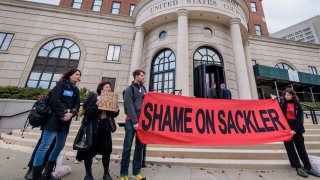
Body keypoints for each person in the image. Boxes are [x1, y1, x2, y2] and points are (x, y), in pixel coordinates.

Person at [32, 69, 81, 180]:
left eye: (79, 75)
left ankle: (47, 173)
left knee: (60, 145)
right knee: (44, 146)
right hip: (54, 120)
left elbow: (77, 104)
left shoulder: (76, 89)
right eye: (76, 74)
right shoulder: (61, 85)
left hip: (66, 121)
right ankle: (36, 176)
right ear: (70, 76)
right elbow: (55, 100)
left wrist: (72, 113)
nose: (79, 76)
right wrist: (64, 113)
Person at [76, 82, 119, 180]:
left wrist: (116, 111)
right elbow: (88, 113)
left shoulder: (111, 99)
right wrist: (96, 105)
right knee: (89, 152)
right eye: (107, 86)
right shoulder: (93, 98)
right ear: (101, 88)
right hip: (93, 129)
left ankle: (106, 173)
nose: (109, 88)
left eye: (110, 87)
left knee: (106, 152)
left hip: (105, 129)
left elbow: (112, 115)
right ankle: (88, 174)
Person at [280, 88, 320, 178]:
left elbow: (299, 118)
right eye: (285, 94)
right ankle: (297, 167)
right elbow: (275, 112)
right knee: (290, 149)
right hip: (286, 130)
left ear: (292, 95)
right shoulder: (282, 103)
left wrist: (294, 130)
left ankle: (308, 168)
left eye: (289, 95)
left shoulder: (297, 105)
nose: (287, 96)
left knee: (301, 148)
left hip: (296, 129)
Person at [120, 69, 147, 180]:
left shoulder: (143, 88)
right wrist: (135, 121)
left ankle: (136, 172)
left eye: (144, 76)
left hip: (142, 122)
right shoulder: (129, 89)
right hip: (131, 122)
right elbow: (129, 106)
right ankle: (124, 174)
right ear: (136, 76)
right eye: (142, 75)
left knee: (139, 148)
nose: (143, 77)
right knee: (127, 148)